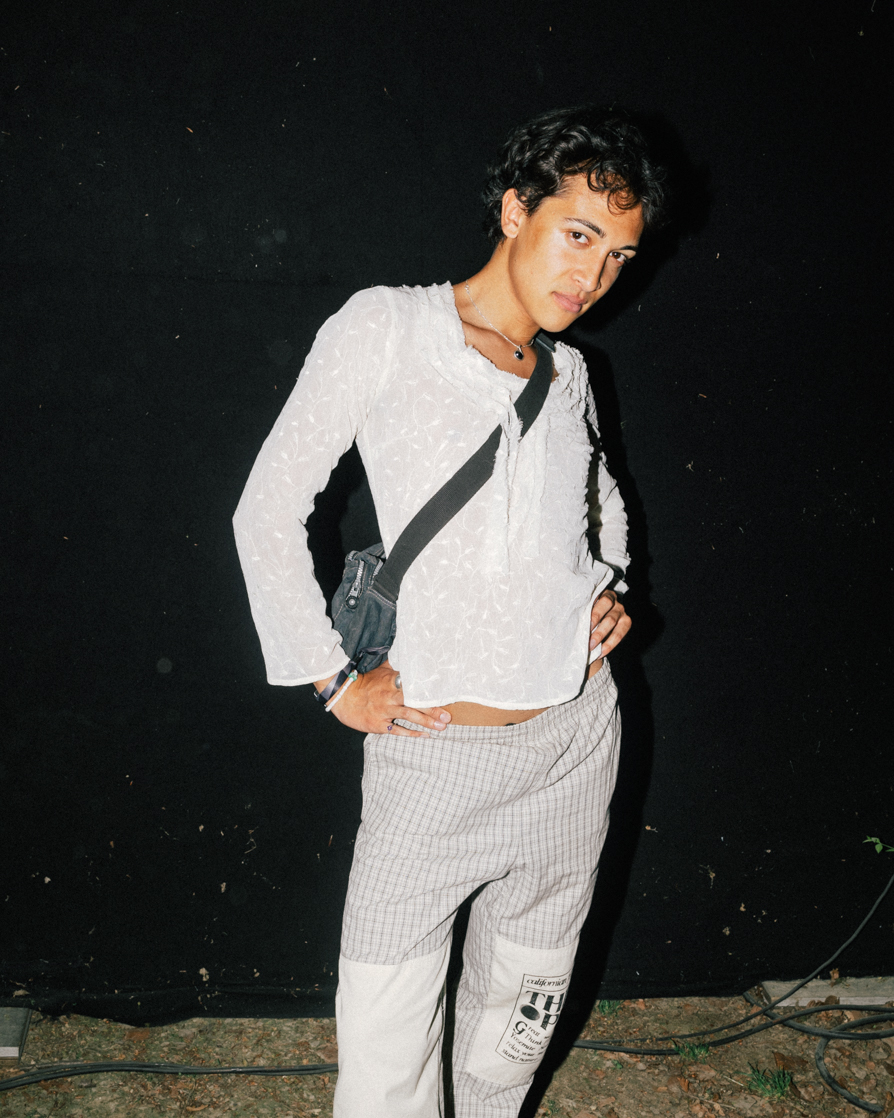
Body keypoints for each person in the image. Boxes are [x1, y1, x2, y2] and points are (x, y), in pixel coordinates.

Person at [233, 105, 667, 1118]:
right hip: (434, 753)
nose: (594, 276)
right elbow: (266, 507)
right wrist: (332, 678)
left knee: (514, 1021)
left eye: (618, 255)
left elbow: (601, 498)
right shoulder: (389, 327)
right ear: (516, 210)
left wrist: (612, 586)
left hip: (574, 744)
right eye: (578, 235)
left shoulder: (570, 371)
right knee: (388, 1041)